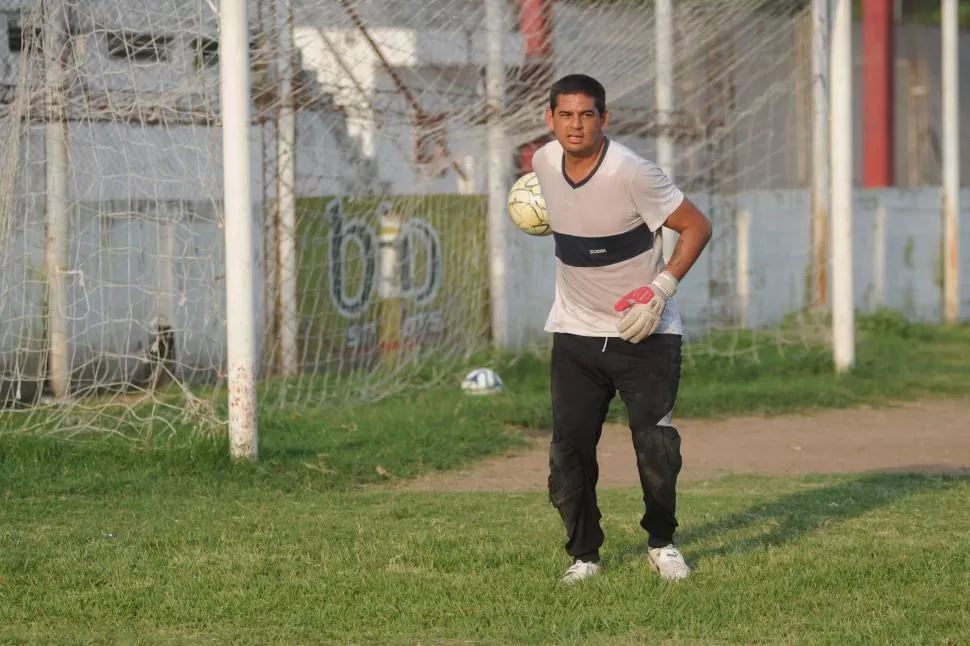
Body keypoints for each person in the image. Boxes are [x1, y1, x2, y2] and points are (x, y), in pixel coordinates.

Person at [530, 73, 713, 584]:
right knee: (568, 449)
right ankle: (584, 555)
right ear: (550, 119)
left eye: (587, 114)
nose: (575, 125)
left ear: (603, 119)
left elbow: (698, 226)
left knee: (655, 446)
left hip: (645, 334)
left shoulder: (634, 172)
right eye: (565, 115)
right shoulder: (543, 162)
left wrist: (660, 291)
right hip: (575, 332)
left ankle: (662, 542)